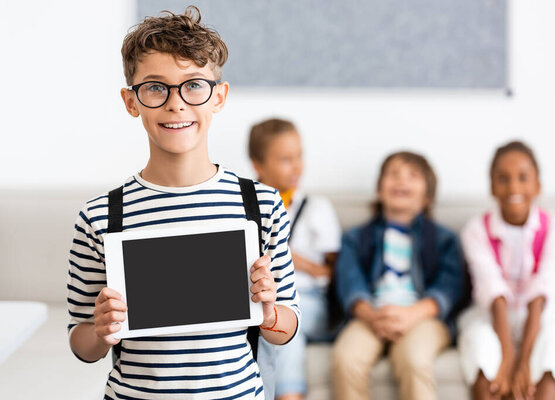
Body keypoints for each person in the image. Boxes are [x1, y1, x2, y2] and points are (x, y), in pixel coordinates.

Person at [66, 7, 299, 399]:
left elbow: (285, 329)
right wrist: (101, 329)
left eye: (193, 85)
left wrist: (269, 309)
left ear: (218, 97)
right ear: (131, 100)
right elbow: (81, 343)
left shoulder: (259, 204)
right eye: (156, 87)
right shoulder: (100, 217)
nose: (176, 103)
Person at [332, 151, 467, 400]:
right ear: (379, 190)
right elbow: (349, 281)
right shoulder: (356, 238)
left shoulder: (443, 239)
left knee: (414, 359)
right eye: (393, 174)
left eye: (413, 176)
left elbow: (450, 286)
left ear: (427, 197)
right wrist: (371, 315)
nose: (401, 181)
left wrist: (411, 314)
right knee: (346, 357)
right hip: (371, 314)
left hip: (422, 316)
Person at [459, 141, 555, 400]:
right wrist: (507, 358)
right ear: (491, 186)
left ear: (538, 185)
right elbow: (491, 288)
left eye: (523, 178)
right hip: (493, 315)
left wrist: (523, 361)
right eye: (503, 178)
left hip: (540, 314)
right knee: (481, 348)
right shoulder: (476, 230)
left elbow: (543, 290)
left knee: (550, 350)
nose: (513, 187)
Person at [248, 118, 341, 400]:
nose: (297, 166)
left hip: (309, 299)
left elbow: (333, 273)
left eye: (299, 156)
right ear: (258, 165)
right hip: (257, 298)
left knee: (282, 324)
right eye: (286, 159)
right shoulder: (244, 208)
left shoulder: (317, 209)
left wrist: (293, 261)